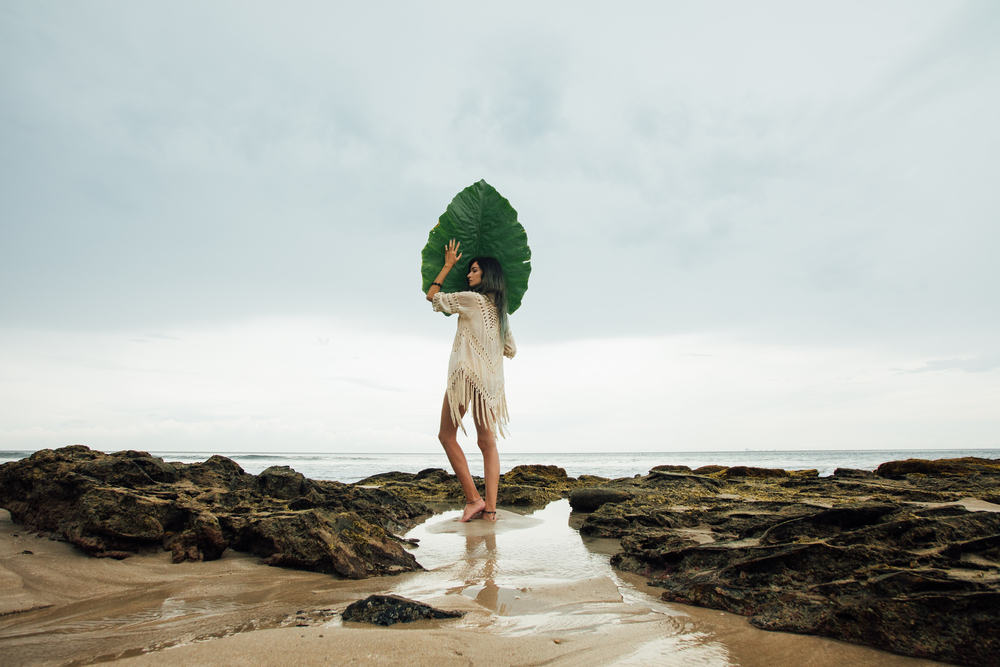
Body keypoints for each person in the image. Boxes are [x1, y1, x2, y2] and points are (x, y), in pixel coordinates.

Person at [426, 239, 516, 522]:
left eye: (474, 270)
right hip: (490, 384)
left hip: (466, 376)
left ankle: (473, 499)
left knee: (446, 435)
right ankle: (490, 510)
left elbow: (433, 297)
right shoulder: (499, 311)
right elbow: (511, 349)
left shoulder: (472, 299)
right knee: (488, 442)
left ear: (486, 274)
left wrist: (448, 265)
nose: (468, 275)